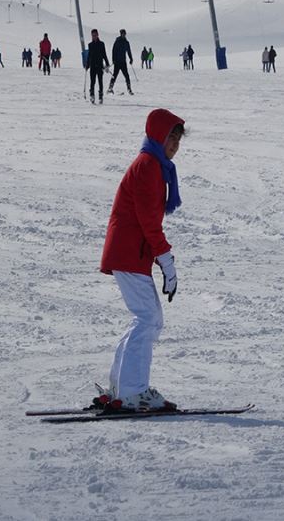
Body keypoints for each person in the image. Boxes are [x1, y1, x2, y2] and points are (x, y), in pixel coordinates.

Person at [99, 108, 185, 411]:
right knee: (148, 319)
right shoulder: (149, 166)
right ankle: (132, 391)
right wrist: (167, 262)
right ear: (157, 136)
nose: (174, 144)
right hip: (129, 253)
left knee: (146, 319)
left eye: (177, 139)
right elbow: (150, 223)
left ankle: (120, 387)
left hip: (129, 252)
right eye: (170, 138)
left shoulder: (153, 164)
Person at [86, 29, 110, 104]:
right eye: (93, 35)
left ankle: (100, 97)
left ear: (97, 35)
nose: (94, 36)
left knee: (100, 82)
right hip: (93, 65)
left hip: (100, 65)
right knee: (92, 82)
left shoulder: (101, 44)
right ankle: (92, 96)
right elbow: (89, 56)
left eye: (95, 35)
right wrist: (87, 64)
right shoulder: (90, 45)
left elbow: (104, 54)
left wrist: (107, 63)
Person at [108, 29, 134, 95]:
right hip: (117, 62)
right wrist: (113, 60)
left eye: (124, 34)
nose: (123, 35)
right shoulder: (117, 41)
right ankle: (110, 88)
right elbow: (113, 51)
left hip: (123, 62)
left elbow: (129, 51)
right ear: (120, 34)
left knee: (127, 76)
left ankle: (129, 89)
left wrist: (131, 59)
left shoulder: (126, 42)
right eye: (122, 33)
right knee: (114, 75)